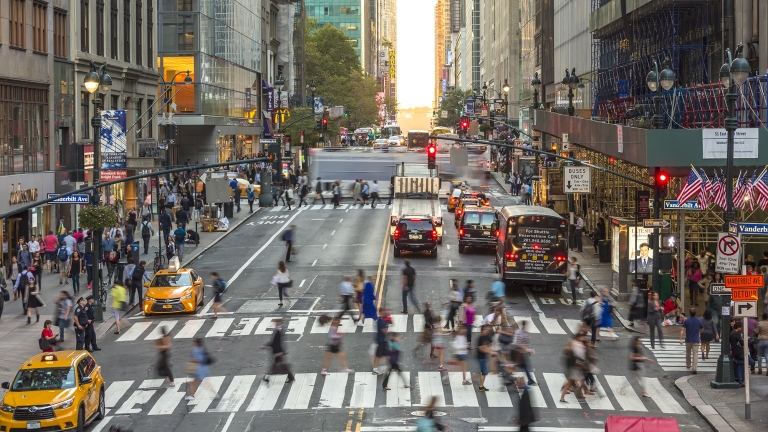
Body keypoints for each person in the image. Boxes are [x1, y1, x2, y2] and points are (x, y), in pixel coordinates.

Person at [262, 318, 295, 383]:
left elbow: (276, 342)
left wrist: (279, 352)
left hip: (278, 351)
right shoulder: (278, 330)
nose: (275, 323)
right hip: (278, 351)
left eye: (276, 322)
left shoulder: (278, 331)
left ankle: (267, 378)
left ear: (279, 323)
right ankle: (290, 377)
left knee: (277, 365)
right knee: (278, 365)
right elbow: (275, 342)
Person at [680, 308, 703, 374]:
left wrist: (681, 338)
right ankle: (694, 368)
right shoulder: (699, 321)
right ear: (695, 313)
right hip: (696, 340)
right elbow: (702, 328)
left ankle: (688, 364)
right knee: (695, 354)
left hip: (688, 340)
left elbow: (682, 329)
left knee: (688, 353)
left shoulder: (687, 321)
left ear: (689, 313)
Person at [731, 320, 753, 387]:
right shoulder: (737, 334)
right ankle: (742, 379)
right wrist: (746, 339)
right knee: (752, 362)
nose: (741, 329)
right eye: (740, 327)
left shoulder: (732, 333)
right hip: (740, 352)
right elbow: (742, 342)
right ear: (738, 327)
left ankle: (741, 381)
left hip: (735, 352)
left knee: (740, 366)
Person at [514, 320, 537, 386]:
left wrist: (528, 350)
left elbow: (526, 342)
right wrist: (527, 349)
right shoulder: (519, 333)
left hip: (523, 353)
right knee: (519, 366)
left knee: (525, 367)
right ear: (523, 325)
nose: (527, 327)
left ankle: (530, 380)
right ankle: (508, 376)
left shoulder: (525, 332)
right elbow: (518, 343)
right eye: (526, 325)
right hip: (518, 353)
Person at [476, 325, 496, 393]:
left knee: (484, 372)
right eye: (485, 329)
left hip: (484, 357)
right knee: (484, 372)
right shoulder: (480, 338)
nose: (487, 331)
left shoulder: (486, 337)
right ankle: (481, 387)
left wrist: (489, 348)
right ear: (482, 330)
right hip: (481, 358)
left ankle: (481, 385)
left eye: (487, 329)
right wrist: (490, 351)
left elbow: (489, 344)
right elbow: (481, 349)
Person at [372, 308, 390, 375]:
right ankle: (375, 369)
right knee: (378, 355)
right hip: (381, 341)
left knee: (386, 354)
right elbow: (384, 331)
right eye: (383, 312)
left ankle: (389, 367)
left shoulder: (383, 320)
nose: (385, 313)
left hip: (383, 340)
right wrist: (390, 333)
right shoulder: (381, 321)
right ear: (380, 312)